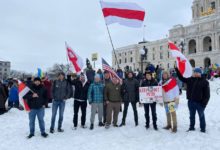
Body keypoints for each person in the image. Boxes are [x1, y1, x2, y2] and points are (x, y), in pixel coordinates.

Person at [175, 67, 210, 133]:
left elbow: (207, 95)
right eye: (195, 72)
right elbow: (182, 78)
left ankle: (203, 129)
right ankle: (191, 127)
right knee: (191, 116)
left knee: (201, 116)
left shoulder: (205, 82)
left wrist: (203, 104)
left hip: (200, 103)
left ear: (200, 73)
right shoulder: (191, 79)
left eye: (197, 72)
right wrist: (177, 70)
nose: (195, 73)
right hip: (190, 102)